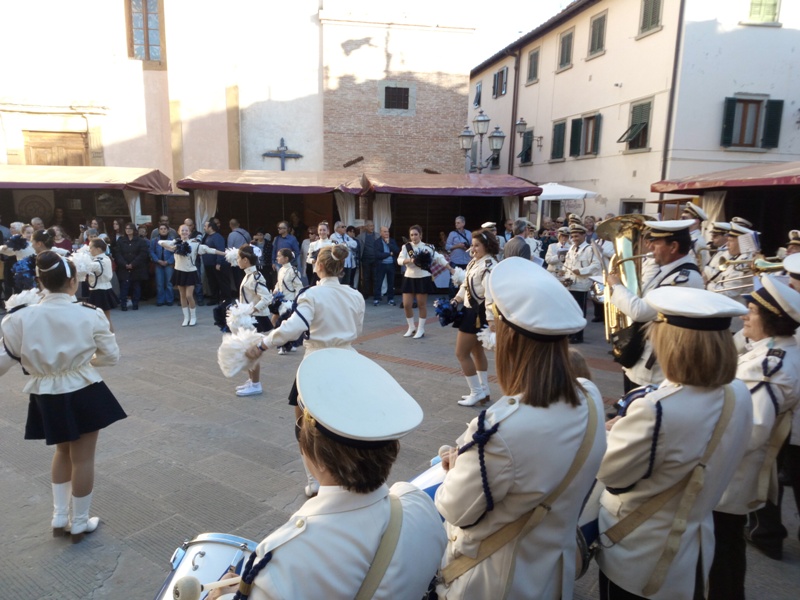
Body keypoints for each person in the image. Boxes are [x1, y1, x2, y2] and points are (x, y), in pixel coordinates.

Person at [209, 349, 447, 600]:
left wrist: (221, 595)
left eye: (300, 431)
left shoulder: (287, 562)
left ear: (319, 457)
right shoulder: (419, 506)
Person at [435, 257, 606, 599]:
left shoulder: (500, 430)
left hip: (497, 581)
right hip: (552, 574)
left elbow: (455, 509)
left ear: (510, 338)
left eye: (496, 327)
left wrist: (455, 468)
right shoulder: (590, 395)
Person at [596, 286, 753, 600]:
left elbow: (610, 474)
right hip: (695, 542)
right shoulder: (738, 392)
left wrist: (611, 432)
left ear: (672, 343)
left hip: (639, 553)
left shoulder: (657, 408)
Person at [0, 251, 126, 543]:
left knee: (61, 451)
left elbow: (9, 357)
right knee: (83, 458)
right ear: (72, 281)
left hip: (45, 392)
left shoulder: (18, 318)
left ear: (40, 282)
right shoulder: (89, 313)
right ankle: (79, 522)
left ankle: (59, 516)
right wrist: (83, 363)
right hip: (83, 388)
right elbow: (111, 357)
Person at [246, 245, 365, 496]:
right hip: (349, 362)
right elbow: (357, 330)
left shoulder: (312, 295)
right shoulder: (355, 295)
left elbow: (293, 328)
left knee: (305, 424)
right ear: (341, 268)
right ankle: (347, 471)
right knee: (345, 420)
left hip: (317, 364)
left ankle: (315, 480)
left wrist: (263, 343)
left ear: (318, 266)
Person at [709, 276, 800, 598]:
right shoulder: (777, 352)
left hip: (732, 471)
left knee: (721, 548)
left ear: (772, 319)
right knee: (726, 544)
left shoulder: (769, 366)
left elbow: (752, 431)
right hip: (736, 468)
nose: (745, 316)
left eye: (752, 311)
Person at [608, 220, 705, 393]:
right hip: (641, 355)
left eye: (656, 242)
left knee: (641, 407)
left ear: (673, 247)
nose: (650, 247)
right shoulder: (667, 271)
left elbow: (640, 311)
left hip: (655, 365)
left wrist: (616, 286)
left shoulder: (683, 278)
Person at [453, 229, 499, 406]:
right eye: (472, 245)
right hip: (470, 310)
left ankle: (476, 392)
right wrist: (456, 299)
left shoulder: (489, 265)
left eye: (477, 245)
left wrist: (491, 320)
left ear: (486, 245)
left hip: (477, 313)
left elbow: (490, 295)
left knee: (461, 353)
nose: (473, 249)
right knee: (476, 352)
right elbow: (466, 285)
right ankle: (484, 391)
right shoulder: (474, 262)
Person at [159, 224, 224, 327]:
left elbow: (210, 250)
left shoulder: (194, 244)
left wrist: (225, 254)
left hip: (190, 272)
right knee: (182, 296)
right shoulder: (175, 243)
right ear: (179, 232)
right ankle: (186, 317)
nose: (184, 232)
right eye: (182, 230)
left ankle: (193, 317)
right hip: (179, 271)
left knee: (189, 295)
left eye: (186, 230)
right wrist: (174, 244)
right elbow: (161, 242)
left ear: (189, 232)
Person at [233, 245, 274, 397]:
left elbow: (267, 297)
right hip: (249, 318)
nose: (237, 260)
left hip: (255, 319)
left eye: (239, 258)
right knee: (247, 350)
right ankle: (251, 381)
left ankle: (256, 384)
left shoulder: (255, 277)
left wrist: (252, 310)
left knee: (252, 352)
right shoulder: (249, 275)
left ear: (245, 260)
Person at [398, 225, 452, 339]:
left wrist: (450, 268)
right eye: (411, 235)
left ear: (421, 235)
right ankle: (411, 327)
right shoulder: (406, 247)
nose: (414, 237)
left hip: (422, 277)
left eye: (416, 234)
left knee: (421, 305)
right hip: (409, 277)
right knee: (407, 305)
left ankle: (421, 329)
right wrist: (410, 260)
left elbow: (439, 258)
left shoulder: (428, 247)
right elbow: (399, 260)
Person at [563, 223, 601, 344]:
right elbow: (567, 264)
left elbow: (596, 265)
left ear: (584, 235)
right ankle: (570, 333)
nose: (574, 239)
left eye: (577, 236)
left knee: (579, 311)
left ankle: (578, 336)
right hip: (570, 284)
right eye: (573, 236)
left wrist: (582, 271)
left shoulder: (590, 249)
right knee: (570, 310)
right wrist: (564, 274)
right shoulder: (571, 248)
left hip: (581, 285)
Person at [706, 222, 755, 304]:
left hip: (734, 308)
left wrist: (708, 285)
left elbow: (728, 293)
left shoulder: (743, 263)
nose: (727, 244)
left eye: (730, 241)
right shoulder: (737, 257)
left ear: (741, 243)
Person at [272, 248, 304, 356]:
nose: (277, 258)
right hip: (281, 301)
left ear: (286, 258)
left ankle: (284, 345)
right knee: (281, 323)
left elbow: (298, 287)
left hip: (290, 302)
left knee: (284, 324)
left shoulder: (292, 271)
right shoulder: (281, 269)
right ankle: (288, 344)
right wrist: (276, 289)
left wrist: (297, 302)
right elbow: (279, 283)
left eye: (279, 256)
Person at [84, 238, 119, 331]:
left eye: (91, 247)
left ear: (98, 249)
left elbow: (86, 267)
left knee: (99, 318)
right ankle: (111, 335)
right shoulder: (106, 258)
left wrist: (81, 258)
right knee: (107, 318)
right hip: (105, 288)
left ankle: (107, 335)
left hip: (98, 291)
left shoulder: (98, 262)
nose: (89, 250)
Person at [114, 222, 150, 311]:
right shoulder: (121, 240)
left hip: (137, 267)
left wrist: (133, 264)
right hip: (124, 267)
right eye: (126, 229)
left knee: (136, 286)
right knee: (124, 286)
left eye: (130, 229)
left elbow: (143, 254)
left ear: (134, 230)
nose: (128, 230)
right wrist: (124, 264)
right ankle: (123, 304)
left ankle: (135, 303)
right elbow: (117, 254)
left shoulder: (140, 241)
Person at [201, 220, 231, 305]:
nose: (204, 228)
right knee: (212, 282)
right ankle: (215, 298)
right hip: (209, 264)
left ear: (210, 227)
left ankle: (227, 299)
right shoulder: (207, 236)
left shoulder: (217, 237)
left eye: (205, 226)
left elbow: (220, 250)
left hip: (217, 264)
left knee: (222, 282)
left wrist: (219, 262)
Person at [149, 223, 176, 307]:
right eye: (161, 229)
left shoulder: (172, 241)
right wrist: (157, 260)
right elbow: (151, 251)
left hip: (169, 264)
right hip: (158, 264)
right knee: (159, 283)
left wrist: (169, 261)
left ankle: (169, 299)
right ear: (158, 230)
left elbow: (175, 252)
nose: (163, 230)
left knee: (169, 283)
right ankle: (160, 300)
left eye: (165, 229)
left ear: (168, 230)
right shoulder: (154, 241)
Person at [373, 225, 399, 306]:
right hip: (381, 265)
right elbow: (378, 255)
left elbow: (397, 251)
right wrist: (389, 254)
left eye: (387, 231)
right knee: (378, 282)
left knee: (391, 283)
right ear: (380, 233)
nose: (387, 233)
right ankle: (377, 298)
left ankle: (390, 299)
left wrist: (389, 244)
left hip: (391, 265)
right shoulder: (377, 242)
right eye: (384, 232)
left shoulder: (392, 241)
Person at [306, 221, 334, 286]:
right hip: (317, 272)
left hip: (329, 272)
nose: (322, 232)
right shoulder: (313, 244)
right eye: (320, 230)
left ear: (328, 231)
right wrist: (313, 261)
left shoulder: (332, 244)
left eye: (324, 230)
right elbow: (308, 259)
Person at [330, 221, 358, 286]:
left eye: (345, 227)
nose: (345, 228)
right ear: (337, 228)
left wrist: (346, 243)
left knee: (347, 283)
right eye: (343, 227)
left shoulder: (346, 236)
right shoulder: (333, 236)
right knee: (339, 283)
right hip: (339, 264)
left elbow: (355, 244)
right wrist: (347, 246)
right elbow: (338, 247)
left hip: (348, 264)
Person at [357, 219, 378, 299]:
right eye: (370, 226)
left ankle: (376, 294)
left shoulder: (377, 235)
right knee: (366, 277)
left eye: (373, 226)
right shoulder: (361, 236)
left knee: (375, 277)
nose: (372, 227)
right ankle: (366, 294)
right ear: (366, 227)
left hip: (375, 259)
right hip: (365, 259)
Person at [228, 218, 252, 290]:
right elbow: (250, 243)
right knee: (247, 276)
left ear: (230, 225)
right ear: (238, 224)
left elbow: (229, 248)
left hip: (236, 260)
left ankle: (240, 291)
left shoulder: (231, 235)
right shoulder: (246, 233)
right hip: (247, 258)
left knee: (238, 278)